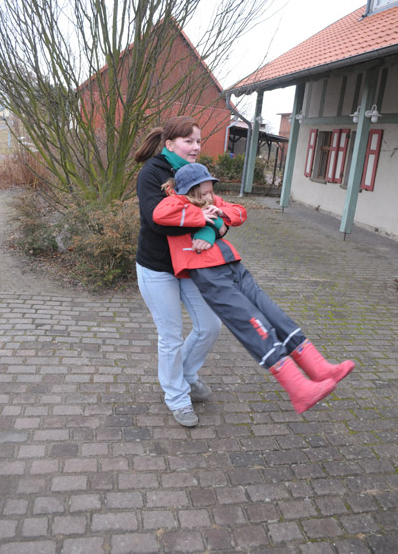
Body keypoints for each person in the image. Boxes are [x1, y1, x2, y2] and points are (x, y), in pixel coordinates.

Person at [153, 163, 355, 414]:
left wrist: (215, 220)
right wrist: (205, 217)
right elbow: (161, 214)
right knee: (254, 323)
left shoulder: (211, 200)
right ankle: (299, 390)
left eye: (210, 191)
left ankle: (319, 369)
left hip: (232, 263)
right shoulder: (175, 202)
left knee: (273, 314)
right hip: (208, 274)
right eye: (202, 193)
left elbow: (239, 212)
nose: (209, 197)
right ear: (188, 191)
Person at [134, 117, 223, 428]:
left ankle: (185, 374)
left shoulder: (197, 173)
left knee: (210, 326)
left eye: (198, 141)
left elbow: (220, 216)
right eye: (189, 141)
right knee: (170, 336)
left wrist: (212, 229)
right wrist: (204, 217)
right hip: (157, 267)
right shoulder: (152, 173)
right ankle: (176, 396)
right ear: (170, 144)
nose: (196, 147)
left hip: (190, 266)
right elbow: (158, 221)